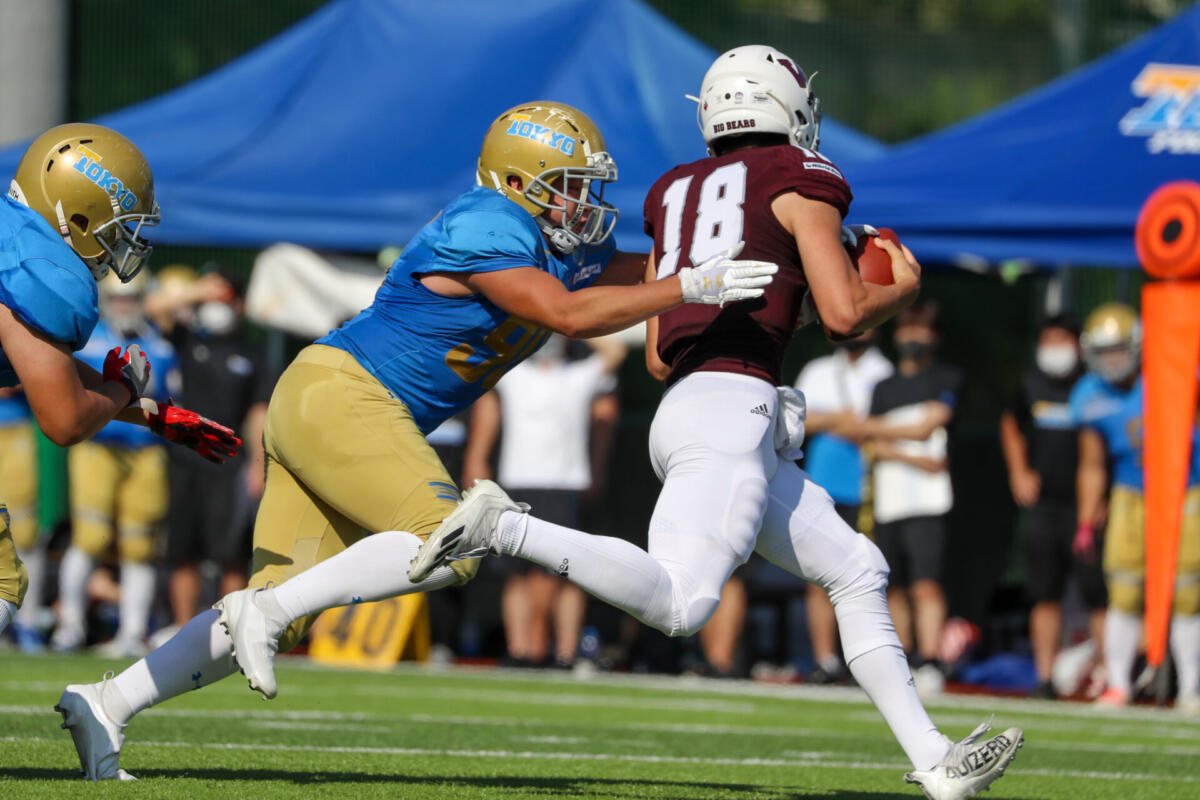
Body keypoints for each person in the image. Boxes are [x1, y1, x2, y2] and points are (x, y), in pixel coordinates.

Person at [56, 100, 776, 781]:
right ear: (516, 184)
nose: (581, 203)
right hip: (341, 395)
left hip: (333, 406)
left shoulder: (555, 244)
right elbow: (571, 313)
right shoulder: (487, 222)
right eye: (567, 187)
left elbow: (650, 273)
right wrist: (694, 285)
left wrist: (780, 262)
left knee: (283, 605)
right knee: (452, 542)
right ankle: (261, 613)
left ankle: (109, 701)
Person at [411, 46, 1022, 799]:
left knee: (857, 568)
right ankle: (505, 527)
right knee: (681, 603)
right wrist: (900, 288)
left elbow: (664, 357)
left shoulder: (675, 191)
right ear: (786, 104)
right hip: (732, 411)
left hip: (698, 408)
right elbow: (843, 314)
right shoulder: (805, 177)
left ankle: (935, 761)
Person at [463, 334, 626, 668]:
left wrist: (570, 322)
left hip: (561, 485)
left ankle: (558, 651)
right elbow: (483, 348)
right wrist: (527, 324)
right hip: (517, 483)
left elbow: (616, 350)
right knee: (514, 574)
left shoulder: (578, 375)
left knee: (556, 574)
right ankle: (520, 650)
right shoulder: (514, 373)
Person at [1071, 303, 1200, 713]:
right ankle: (1118, 685)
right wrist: (1086, 521)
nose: (1112, 359)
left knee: (1187, 594)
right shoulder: (1089, 394)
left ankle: (1190, 690)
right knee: (1123, 592)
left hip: (1187, 490)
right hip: (1131, 494)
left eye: (1118, 349)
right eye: (1103, 351)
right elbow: (1092, 465)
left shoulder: (1175, 374)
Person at [51, 271, 179, 656]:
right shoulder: (90, 342)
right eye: (119, 299)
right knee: (89, 538)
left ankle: (133, 631)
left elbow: (170, 400)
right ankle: (69, 625)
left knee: (141, 546)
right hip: (98, 447)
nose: (124, 306)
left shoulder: (159, 344)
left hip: (145, 452)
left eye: (131, 299)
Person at [143, 265, 273, 641]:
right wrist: (198, 292)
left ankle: (231, 633)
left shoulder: (253, 354)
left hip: (229, 465)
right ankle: (184, 632)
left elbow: (258, 414)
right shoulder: (188, 340)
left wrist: (258, 467)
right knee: (182, 549)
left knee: (230, 552)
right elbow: (154, 307)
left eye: (224, 296)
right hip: (184, 461)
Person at [999, 313, 1105, 700]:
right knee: (1044, 593)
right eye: (1048, 339)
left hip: (1086, 509)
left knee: (1099, 594)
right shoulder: (1031, 384)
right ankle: (1044, 678)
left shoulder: (1095, 387)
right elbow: (1010, 425)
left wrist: (1101, 500)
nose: (1054, 348)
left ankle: (1109, 679)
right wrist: (1019, 471)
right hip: (1044, 506)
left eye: (1062, 339)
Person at [864, 299, 961, 698]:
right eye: (906, 330)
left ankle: (931, 659)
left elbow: (929, 425)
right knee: (894, 585)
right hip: (890, 499)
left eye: (921, 330)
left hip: (928, 501)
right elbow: (873, 445)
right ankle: (902, 659)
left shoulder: (948, 377)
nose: (912, 338)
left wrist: (890, 437)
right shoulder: (883, 387)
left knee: (926, 584)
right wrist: (913, 457)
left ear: (934, 336)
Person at [793, 329, 893, 683]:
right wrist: (841, 421)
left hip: (866, 489)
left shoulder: (884, 372)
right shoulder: (817, 370)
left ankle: (867, 662)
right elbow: (796, 422)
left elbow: (881, 429)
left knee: (867, 575)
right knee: (818, 577)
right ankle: (826, 659)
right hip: (819, 485)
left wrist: (834, 420)